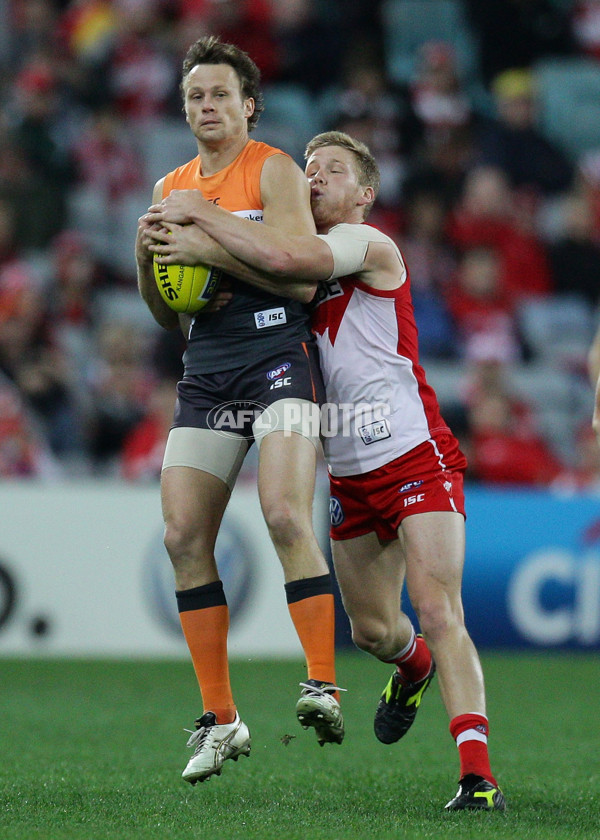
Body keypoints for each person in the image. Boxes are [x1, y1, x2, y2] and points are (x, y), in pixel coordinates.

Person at [144, 130, 505, 811]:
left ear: (365, 193)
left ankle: (477, 776)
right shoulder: (289, 275)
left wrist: (198, 217)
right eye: (306, 171)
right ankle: (412, 668)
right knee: (374, 632)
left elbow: (288, 254)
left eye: (330, 172)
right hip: (349, 474)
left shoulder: (369, 246)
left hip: (413, 456)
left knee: (437, 609)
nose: (312, 181)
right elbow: (259, 272)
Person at [135, 36, 343, 786]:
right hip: (209, 369)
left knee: (287, 514)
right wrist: (147, 253)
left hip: (277, 356)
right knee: (183, 532)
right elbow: (167, 315)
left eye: (220, 94)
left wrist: (209, 242)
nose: (207, 107)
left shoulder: (275, 170)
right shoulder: (171, 185)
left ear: (249, 104)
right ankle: (222, 720)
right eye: (195, 96)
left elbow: (299, 281)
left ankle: (321, 682)